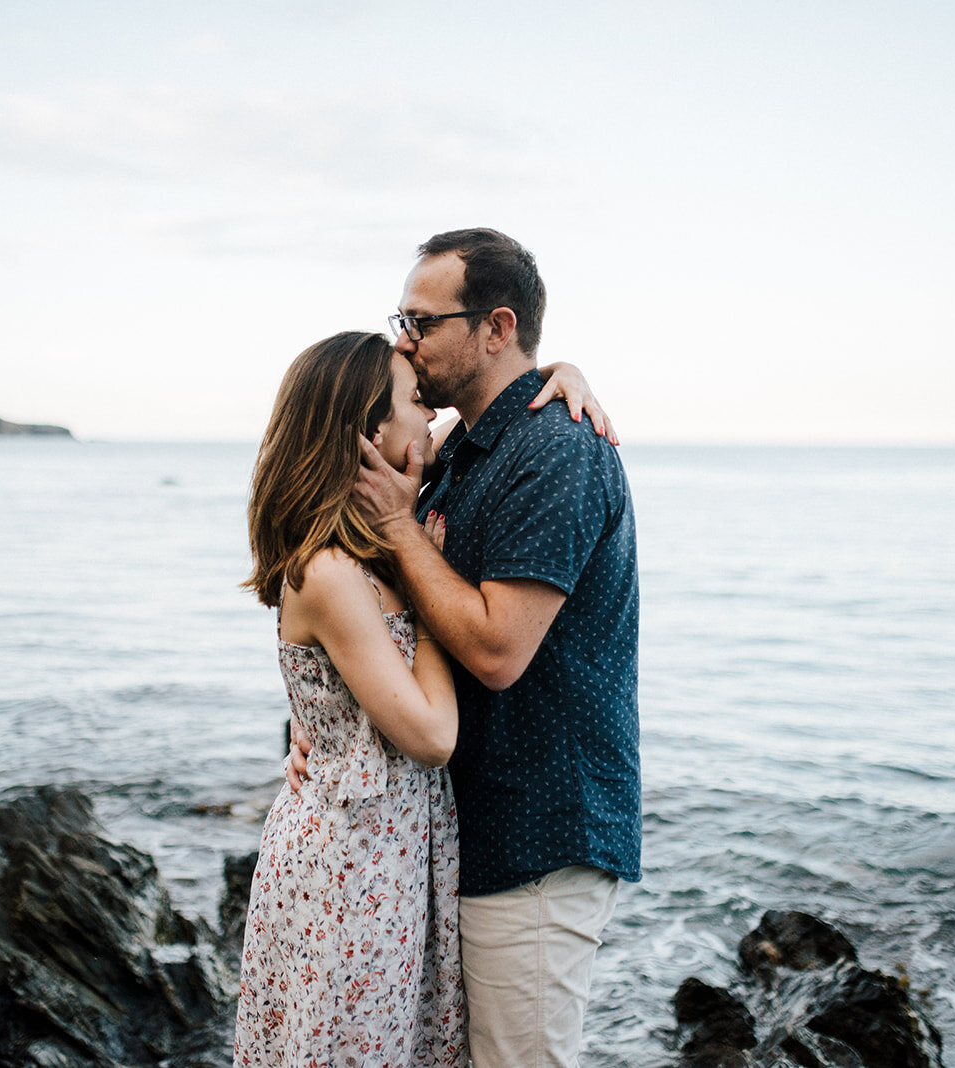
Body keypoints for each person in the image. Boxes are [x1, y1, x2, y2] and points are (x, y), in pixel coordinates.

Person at [235, 329, 609, 1068]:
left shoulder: (383, 515)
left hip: (396, 852)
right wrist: (423, 575)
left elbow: (495, 404)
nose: (429, 414)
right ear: (370, 437)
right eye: (413, 403)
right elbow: (434, 736)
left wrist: (565, 372)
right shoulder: (336, 572)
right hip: (354, 863)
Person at [347, 228, 641, 1068]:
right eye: (399, 318)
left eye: (420, 321)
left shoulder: (557, 450)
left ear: (496, 327)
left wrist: (402, 527)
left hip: (539, 834)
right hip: (466, 827)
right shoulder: (463, 454)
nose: (404, 339)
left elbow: (496, 652)